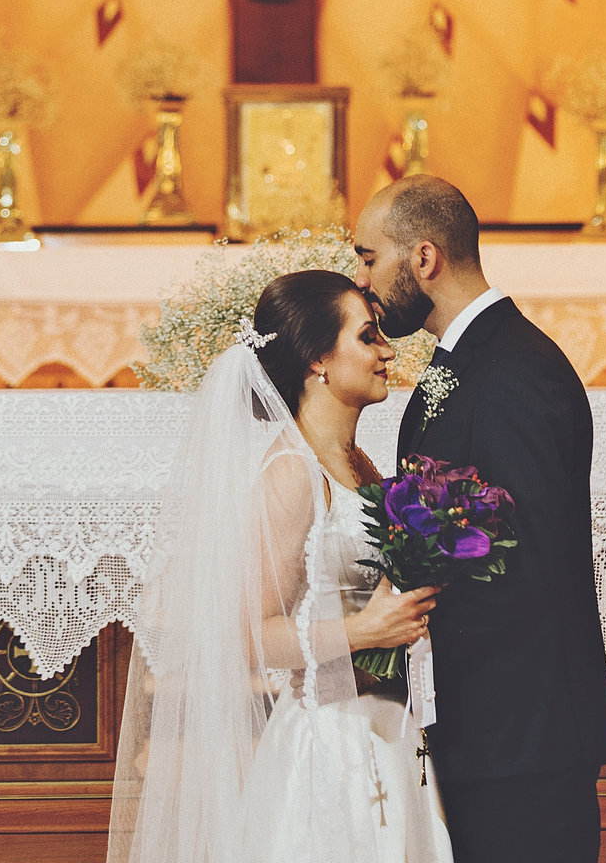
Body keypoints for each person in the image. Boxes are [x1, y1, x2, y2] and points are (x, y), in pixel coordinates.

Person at [106, 269, 452, 863]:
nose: (388, 351)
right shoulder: (291, 473)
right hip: (329, 746)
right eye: (368, 337)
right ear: (319, 358)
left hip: (392, 727)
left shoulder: (361, 465)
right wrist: (365, 631)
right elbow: (245, 635)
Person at [353, 176, 606, 863]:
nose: (362, 280)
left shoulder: (516, 370)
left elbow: (525, 559)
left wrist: (401, 620)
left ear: (423, 258)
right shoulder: (460, 363)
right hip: (479, 727)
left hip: (522, 734)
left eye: (368, 257)